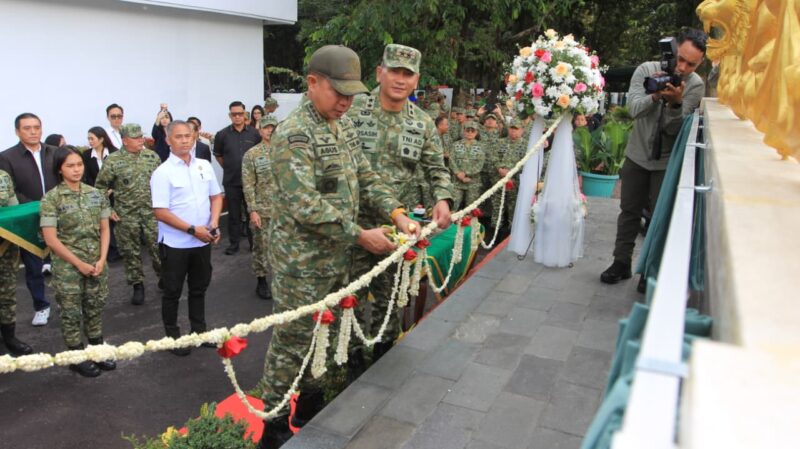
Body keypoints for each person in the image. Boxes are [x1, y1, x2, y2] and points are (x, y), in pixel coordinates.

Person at [258, 45, 418, 448]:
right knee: (292, 341)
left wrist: (396, 211)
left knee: (323, 334)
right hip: (301, 263)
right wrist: (360, 234)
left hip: (336, 257)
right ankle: (273, 425)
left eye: (351, 94)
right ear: (312, 83)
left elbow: (365, 175)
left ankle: (309, 404)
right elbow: (304, 204)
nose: (346, 102)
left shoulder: (339, 125)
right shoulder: (294, 133)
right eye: (338, 93)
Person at [347, 43, 453, 369]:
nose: (400, 79)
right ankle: (348, 364)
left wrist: (443, 199)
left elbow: (437, 169)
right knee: (347, 297)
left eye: (407, 74)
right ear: (380, 72)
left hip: (397, 228)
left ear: (416, 79)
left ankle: (381, 359)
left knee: (389, 298)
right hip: (352, 224)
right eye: (394, 71)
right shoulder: (352, 111)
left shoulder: (421, 123)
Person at [601, 29, 706, 290]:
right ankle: (621, 262)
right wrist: (657, 94)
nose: (682, 67)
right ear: (673, 48)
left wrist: (675, 104)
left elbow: (676, 130)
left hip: (666, 162)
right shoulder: (646, 69)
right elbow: (634, 109)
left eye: (690, 64)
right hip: (637, 155)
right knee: (629, 212)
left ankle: (651, 269)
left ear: (699, 63)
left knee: (660, 217)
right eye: (680, 59)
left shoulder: (695, 85)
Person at [151, 121, 222, 356]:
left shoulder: (203, 165)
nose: (184, 140)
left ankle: (199, 333)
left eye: (188, 136)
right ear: (168, 140)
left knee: (198, 288)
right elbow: (160, 212)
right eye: (179, 137)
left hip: (202, 241)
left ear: (194, 138)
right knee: (172, 291)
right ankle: (173, 338)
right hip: (176, 244)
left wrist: (213, 224)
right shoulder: (162, 173)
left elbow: (216, 196)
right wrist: (193, 230)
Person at [40, 147, 113, 377]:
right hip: (68, 268)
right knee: (71, 313)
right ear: (60, 169)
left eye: (79, 164)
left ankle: (96, 350)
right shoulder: (52, 198)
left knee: (94, 308)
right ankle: (76, 357)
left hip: (96, 264)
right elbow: (51, 239)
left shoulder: (95, 194)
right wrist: (78, 263)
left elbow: (105, 229)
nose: (76, 169)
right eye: (70, 166)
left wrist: (102, 259)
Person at [95, 123, 162, 305]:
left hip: (152, 213)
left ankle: (163, 278)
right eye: (136, 138)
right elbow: (100, 188)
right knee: (131, 252)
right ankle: (137, 285)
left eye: (142, 136)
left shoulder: (152, 156)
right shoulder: (113, 161)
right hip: (126, 215)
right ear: (125, 141)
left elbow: (163, 183)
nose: (141, 140)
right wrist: (108, 209)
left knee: (159, 248)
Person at [0, 113, 56, 326]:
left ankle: (71, 300)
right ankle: (41, 305)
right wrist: (35, 207)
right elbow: (10, 189)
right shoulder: (6, 157)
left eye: (36, 127)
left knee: (65, 260)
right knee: (34, 266)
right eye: (27, 128)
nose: (33, 131)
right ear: (17, 131)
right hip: (27, 218)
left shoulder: (55, 152)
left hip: (57, 214)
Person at [213, 101, 260, 256]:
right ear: (230, 115)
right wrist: (229, 167)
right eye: (234, 114)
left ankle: (255, 244)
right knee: (234, 216)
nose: (238, 116)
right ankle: (234, 244)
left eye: (240, 113)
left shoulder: (254, 134)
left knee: (252, 214)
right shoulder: (222, 135)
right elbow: (218, 155)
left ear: (245, 114)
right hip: (232, 181)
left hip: (252, 183)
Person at [241, 115, 277, 300]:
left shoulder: (286, 151)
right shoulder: (252, 155)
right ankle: (261, 281)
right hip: (262, 210)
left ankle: (281, 282)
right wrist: (253, 210)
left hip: (284, 211)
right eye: (266, 127)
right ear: (260, 130)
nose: (270, 130)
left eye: (273, 127)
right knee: (261, 248)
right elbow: (248, 184)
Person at [0, 169, 33, 356]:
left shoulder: (3, 176)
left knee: (7, 294)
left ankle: (9, 337)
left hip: (5, 248)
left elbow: (14, 209)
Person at [83, 126, 123, 263]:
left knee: (117, 219)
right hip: (95, 194)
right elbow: (86, 177)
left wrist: (111, 189)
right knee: (103, 221)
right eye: (88, 138)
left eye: (92, 138)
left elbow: (120, 174)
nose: (90, 141)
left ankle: (120, 248)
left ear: (101, 139)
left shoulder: (114, 153)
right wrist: (96, 191)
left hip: (115, 193)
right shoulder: (86, 156)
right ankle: (110, 250)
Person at [495, 118, 527, 229]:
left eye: (516, 129)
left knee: (513, 206)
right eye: (511, 128)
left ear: (522, 130)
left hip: (515, 181)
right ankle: (496, 228)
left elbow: (526, 163)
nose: (513, 131)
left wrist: (511, 173)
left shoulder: (526, 145)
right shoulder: (500, 142)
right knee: (497, 205)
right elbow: (494, 157)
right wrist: (499, 169)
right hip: (499, 178)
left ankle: (511, 229)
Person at [450, 120, 485, 211]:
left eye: (472, 131)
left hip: (473, 183)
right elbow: (451, 160)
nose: (470, 133)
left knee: (471, 210)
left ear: (476, 132)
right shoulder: (455, 145)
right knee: (453, 207)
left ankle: (469, 225)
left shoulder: (481, 147)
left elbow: (480, 164)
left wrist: (465, 173)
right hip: (457, 182)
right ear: (464, 131)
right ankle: (451, 225)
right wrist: (458, 173)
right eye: (467, 130)